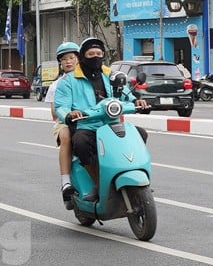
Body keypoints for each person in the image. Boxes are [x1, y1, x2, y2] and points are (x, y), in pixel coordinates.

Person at [53, 37, 147, 203]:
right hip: (86, 125)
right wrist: (70, 114)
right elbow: (61, 106)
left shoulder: (111, 74)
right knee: (80, 142)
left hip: (111, 123)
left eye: (98, 53)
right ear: (82, 56)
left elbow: (125, 93)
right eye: (90, 54)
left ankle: (130, 174)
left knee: (140, 134)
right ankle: (97, 183)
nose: (95, 57)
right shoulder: (68, 81)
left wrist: (136, 101)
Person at [46, 42, 80, 209]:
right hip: (65, 123)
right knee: (66, 135)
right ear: (60, 63)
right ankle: (66, 181)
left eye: (72, 58)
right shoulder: (57, 85)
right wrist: (69, 112)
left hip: (89, 120)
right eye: (64, 59)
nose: (68, 62)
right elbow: (55, 113)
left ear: (78, 59)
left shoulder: (88, 79)